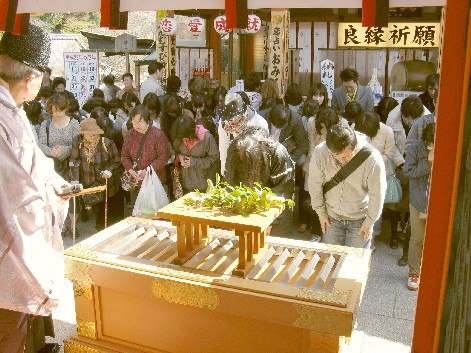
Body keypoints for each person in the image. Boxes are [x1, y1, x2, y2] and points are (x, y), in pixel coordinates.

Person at [0, 24, 70, 353]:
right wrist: (46, 200)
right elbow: (15, 199)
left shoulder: (14, 112)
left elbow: (36, 166)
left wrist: (53, 183)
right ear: (31, 79)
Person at [308, 124, 386, 248]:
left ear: (354, 147)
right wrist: (321, 213)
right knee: (331, 260)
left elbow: (378, 194)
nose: (342, 161)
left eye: (346, 157)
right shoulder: (320, 152)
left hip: (360, 219)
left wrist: (369, 222)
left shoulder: (372, 158)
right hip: (331, 216)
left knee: (354, 263)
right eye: (336, 157)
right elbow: (314, 185)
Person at [225, 126, 295, 236]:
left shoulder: (278, 154)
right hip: (246, 207)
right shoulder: (235, 150)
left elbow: (282, 193)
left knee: (273, 248)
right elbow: (231, 182)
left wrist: (268, 220)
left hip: (276, 212)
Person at [354, 111, 405, 249]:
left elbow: (389, 155)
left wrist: (370, 158)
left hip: (379, 173)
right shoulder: (355, 127)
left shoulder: (387, 131)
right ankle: (358, 238)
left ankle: (371, 242)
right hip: (359, 174)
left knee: (375, 207)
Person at [69, 118, 123, 231]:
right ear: (83, 134)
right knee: (99, 214)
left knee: (112, 213)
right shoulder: (77, 142)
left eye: (95, 134)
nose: (94, 136)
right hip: (90, 183)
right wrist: (74, 181)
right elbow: (73, 162)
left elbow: (117, 161)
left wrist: (109, 170)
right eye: (90, 135)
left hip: (108, 183)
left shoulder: (107, 143)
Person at [403, 122, 435, 291]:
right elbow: (407, 171)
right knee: (417, 238)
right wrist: (428, 163)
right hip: (418, 200)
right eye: (429, 144)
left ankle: (430, 270)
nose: (431, 147)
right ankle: (414, 272)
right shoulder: (416, 147)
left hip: (437, 202)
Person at [121, 105, 170, 207]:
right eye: (134, 121)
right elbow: (124, 156)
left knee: (156, 212)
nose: (136, 124)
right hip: (137, 181)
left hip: (156, 180)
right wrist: (130, 170)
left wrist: (148, 170)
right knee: (139, 212)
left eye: (140, 121)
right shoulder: (130, 135)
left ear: (147, 120)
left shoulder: (157, 134)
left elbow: (163, 157)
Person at [218, 92, 268, 176]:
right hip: (234, 164)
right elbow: (224, 146)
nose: (230, 121)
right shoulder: (223, 123)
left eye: (233, 118)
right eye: (228, 118)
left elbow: (264, 151)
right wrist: (224, 171)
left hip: (254, 165)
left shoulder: (259, 123)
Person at [172, 116, 220, 194]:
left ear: (192, 132)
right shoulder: (179, 136)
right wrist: (179, 157)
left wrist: (193, 162)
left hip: (204, 185)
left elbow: (214, 159)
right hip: (186, 184)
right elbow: (175, 151)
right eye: (182, 138)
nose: (184, 140)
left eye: (186, 138)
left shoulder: (206, 137)